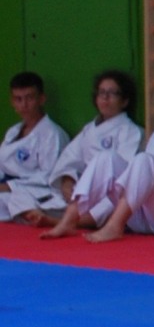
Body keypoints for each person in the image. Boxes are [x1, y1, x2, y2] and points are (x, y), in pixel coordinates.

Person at [45, 74, 154, 242]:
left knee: (145, 161)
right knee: (106, 158)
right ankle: (70, 218)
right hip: (148, 217)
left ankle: (115, 225)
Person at [41, 70, 144, 223]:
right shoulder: (89, 129)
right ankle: (67, 216)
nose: (105, 98)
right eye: (101, 92)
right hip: (82, 189)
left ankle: (78, 221)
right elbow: (70, 158)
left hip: (109, 193)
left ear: (124, 101)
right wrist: (67, 180)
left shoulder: (131, 131)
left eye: (112, 93)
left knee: (113, 196)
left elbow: (123, 175)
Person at [0, 71, 70, 224]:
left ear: (41, 99)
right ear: (12, 102)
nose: (24, 105)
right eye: (18, 99)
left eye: (29, 98)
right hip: (11, 190)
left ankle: (39, 217)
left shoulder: (52, 134)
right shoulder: (13, 131)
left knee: (12, 199)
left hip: (39, 193)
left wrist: (10, 186)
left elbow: (48, 177)